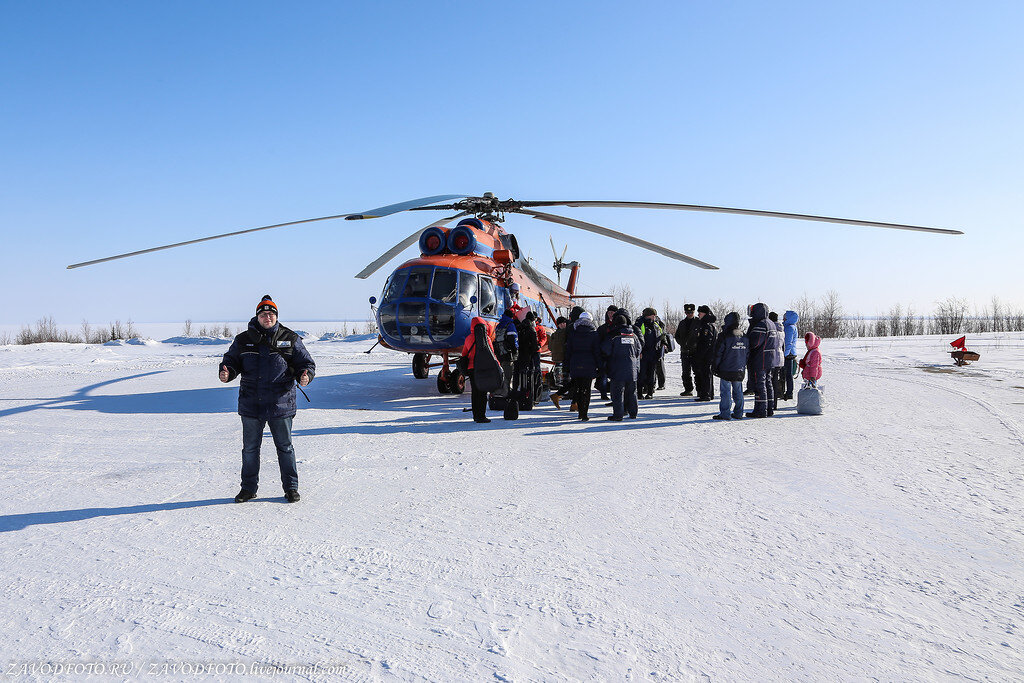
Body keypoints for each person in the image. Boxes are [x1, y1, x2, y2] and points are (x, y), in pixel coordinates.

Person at [220, 295, 315, 503]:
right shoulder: (243, 340)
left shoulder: (290, 338)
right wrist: (226, 372)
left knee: (285, 447)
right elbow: (231, 361)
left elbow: (306, 363)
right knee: (250, 449)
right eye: (263, 314)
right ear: (257, 317)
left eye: (271, 314)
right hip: (251, 404)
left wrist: (305, 374)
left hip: (280, 404)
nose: (267, 317)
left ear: (276, 317)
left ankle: (291, 488)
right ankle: (248, 488)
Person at [601, 311, 641, 421]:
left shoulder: (614, 335)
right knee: (632, 392)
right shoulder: (634, 336)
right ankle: (633, 413)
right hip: (632, 369)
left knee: (618, 393)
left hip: (617, 368)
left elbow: (606, 350)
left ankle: (618, 415)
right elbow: (638, 350)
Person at [711, 311, 749, 420]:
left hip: (726, 369)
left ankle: (725, 413)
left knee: (726, 392)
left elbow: (718, 353)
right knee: (738, 391)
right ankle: (739, 413)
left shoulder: (724, 336)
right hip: (739, 368)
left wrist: (715, 366)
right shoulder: (744, 336)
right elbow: (747, 353)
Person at [564, 311, 601, 421]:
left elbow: (568, 351)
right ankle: (584, 413)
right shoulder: (594, 334)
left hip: (575, 364)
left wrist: (566, 366)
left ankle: (580, 412)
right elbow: (597, 352)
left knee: (578, 388)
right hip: (589, 364)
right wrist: (600, 366)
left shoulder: (573, 333)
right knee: (586, 390)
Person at [461, 316, 498, 423]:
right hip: (483, 368)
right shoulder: (486, 338)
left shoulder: (468, 338)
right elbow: (492, 354)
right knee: (482, 392)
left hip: (472, 369)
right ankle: (482, 416)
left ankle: (476, 415)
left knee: (475, 392)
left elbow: (464, 354)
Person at [745, 302, 776, 418]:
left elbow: (755, 342)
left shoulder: (761, 325)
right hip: (770, 358)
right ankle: (769, 408)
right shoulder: (771, 323)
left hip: (760, 359)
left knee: (760, 384)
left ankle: (761, 410)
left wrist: (747, 344)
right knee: (768, 383)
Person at [492, 308, 519, 407]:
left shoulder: (499, 325)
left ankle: (499, 392)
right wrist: (515, 351)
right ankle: (506, 394)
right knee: (508, 375)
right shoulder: (510, 325)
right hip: (508, 354)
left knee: (500, 374)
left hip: (499, 353)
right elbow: (513, 340)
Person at [636, 307, 664, 400]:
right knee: (642, 374)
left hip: (654, 353)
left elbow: (660, 336)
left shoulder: (656, 324)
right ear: (649, 316)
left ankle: (650, 392)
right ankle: (639, 393)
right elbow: (638, 339)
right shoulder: (640, 324)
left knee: (651, 374)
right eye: (653, 316)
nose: (654, 317)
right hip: (643, 353)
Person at [692, 305, 718, 402]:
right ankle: (708, 394)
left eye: (700, 313)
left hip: (706, 356)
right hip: (708, 355)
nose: (698, 314)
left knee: (705, 374)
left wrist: (700, 355)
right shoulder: (707, 324)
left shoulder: (707, 326)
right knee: (707, 374)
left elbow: (706, 342)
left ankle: (706, 394)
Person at [595, 305, 619, 400]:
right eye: (609, 312)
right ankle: (603, 393)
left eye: (612, 312)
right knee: (603, 375)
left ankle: (614, 395)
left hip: (615, 355)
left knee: (614, 376)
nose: (610, 314)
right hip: (604, 355)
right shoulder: (603, 328)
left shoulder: (618, 327)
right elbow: (597, 341)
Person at [674, 303, 698, 396]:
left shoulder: (697, 322)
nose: (690, 314)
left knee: (697, 371)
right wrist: (683, 344)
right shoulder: (682, 323)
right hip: (684, 351)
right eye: (688, 312)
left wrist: (695, 345)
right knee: (685, 372)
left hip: (695, 352)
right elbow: (677, 336)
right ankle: (688, 389)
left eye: (691, 312)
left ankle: (699, 389)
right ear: (685, 312)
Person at [547, 316, 569, 408]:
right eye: (561, 324)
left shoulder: (554, 334)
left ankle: (562, 391)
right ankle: (564, 392)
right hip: (563, 358)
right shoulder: (566, 333)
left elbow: (550, 347)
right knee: (565, 376)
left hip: (557, 359)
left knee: (561, 377)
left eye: (564, 323)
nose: (563, 325)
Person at [768, 312, 785, 412]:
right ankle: (775, 403)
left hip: (772, 357)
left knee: (770, 381)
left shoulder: (772, 330)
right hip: (780, 357)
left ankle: (770, 402)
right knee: (775, 380)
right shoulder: (781, 330)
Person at [782, 310, 800, 400]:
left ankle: (789, 392)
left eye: (785, 316)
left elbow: (788, 342)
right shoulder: (791, 327)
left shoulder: (789, 328)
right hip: (790, 353)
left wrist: (784, 354)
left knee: (787, 374)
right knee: (788, 374)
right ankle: (787, 391)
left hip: (788, 354)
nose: (783, 317)